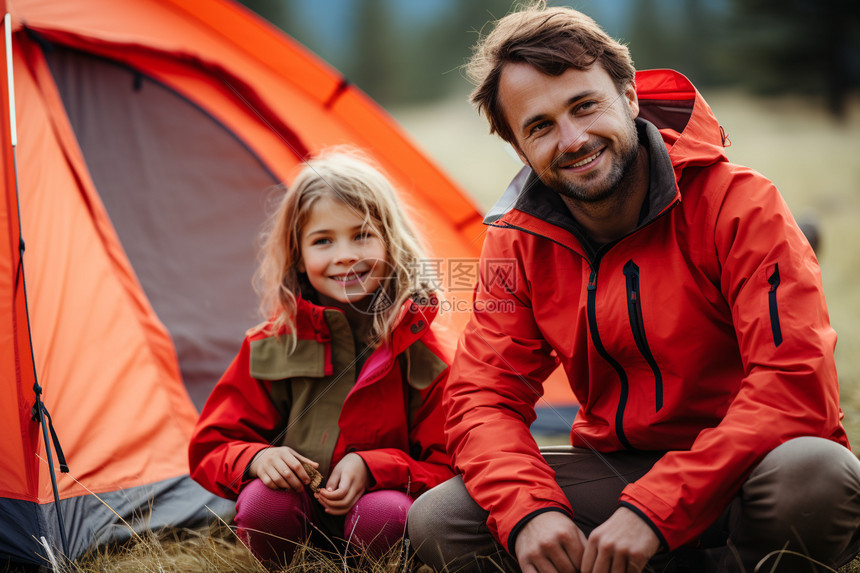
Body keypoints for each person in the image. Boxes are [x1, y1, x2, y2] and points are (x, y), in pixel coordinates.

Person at [407, 3, 860, 572]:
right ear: (520, 149)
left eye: (585, 105)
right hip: (616, 469)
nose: (572, 139)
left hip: (744, 469)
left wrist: (656, 510)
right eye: (540, 126)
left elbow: (793, 386)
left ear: (630, 97)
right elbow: (483, 396)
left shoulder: (741, 205)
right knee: (440, 519)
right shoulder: (516, 242)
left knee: (817, 474)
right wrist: (529, 511)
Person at [188, 147, 454, 565]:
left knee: (383, 514)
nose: (344, 254)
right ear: (298, 256)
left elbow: (448, 466)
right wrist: (258, 458)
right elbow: (211, 447)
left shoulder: (421, 351)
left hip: (377, 514)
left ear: (392, 242)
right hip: (296, 515)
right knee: (263, 504)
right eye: (323, 241)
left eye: (362, 234)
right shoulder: (273, 343)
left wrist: (375, 466)